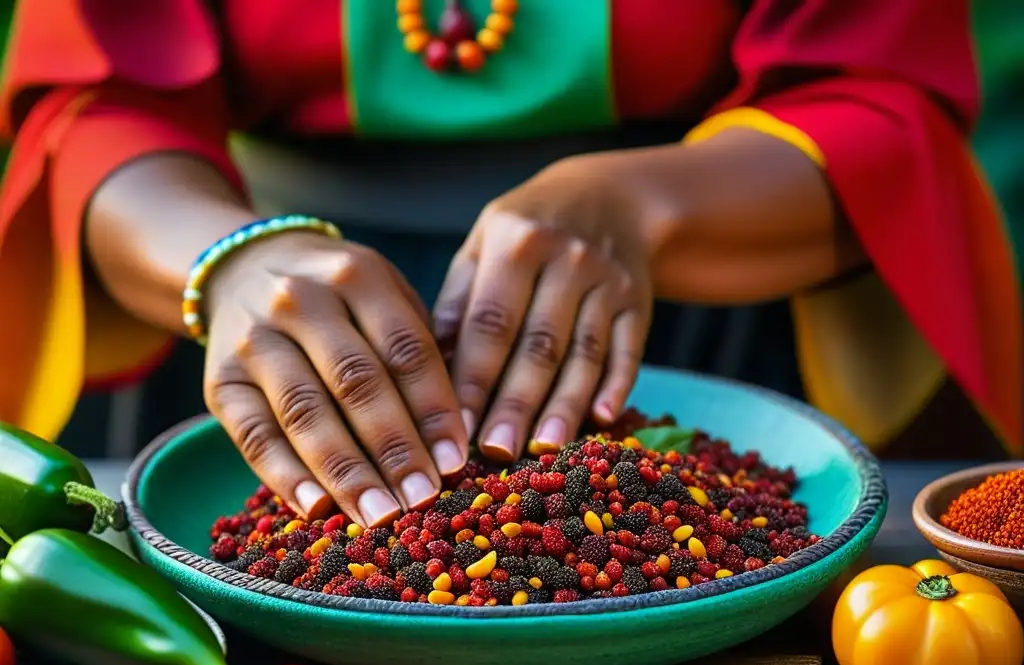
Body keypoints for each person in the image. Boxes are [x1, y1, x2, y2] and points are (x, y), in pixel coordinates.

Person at [0, 0, 1020, 528]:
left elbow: (882, 109)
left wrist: (643, 202)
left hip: (707, 337)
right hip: (268, 359)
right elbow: (93, 100)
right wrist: (223, 262)